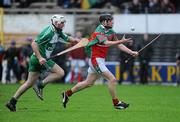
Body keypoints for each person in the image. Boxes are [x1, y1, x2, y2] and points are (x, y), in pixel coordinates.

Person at [62, 14, 138, 110]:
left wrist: (131, 52)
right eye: (110, 20)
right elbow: (106, 42)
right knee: (112, 79)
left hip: (99, 60)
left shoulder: (111, 32)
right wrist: (120, 42)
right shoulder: (98, 32)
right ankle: (116, 103)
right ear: (104, 22)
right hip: (96, 60)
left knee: (88, 83)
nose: (112, 22)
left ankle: (67, 93)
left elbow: (119, 45)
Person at [5, 14, 79, 112]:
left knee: (29, 83)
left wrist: (78, 41)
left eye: (63, 23)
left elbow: (70, 39)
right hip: (40, 59)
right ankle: (40, 85)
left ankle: (12, 102)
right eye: (60, 23)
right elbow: (34, 43)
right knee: (60, 73)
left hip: (37, 59)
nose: (62, 24)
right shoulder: (49, 32)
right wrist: (40, 58)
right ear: (55, 23)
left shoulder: (58, 32)